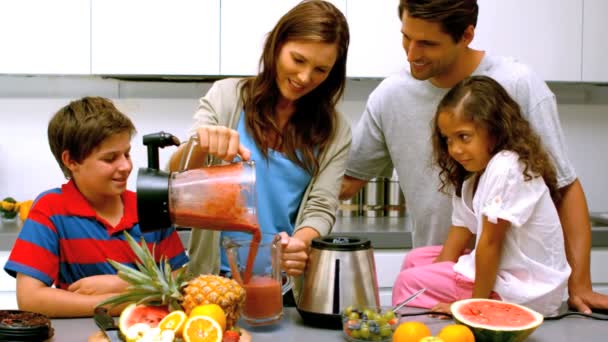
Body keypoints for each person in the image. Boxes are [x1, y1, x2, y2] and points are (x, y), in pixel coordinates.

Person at [340, 0, 608, 314]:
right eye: (406, 37)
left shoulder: (518, 84)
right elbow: (346, 182)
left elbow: (564, 187)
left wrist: (581, 284)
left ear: (466, 34)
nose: (411, 54)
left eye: (427, 43)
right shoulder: (390, 96)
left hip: (508, 281)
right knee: (416, 270)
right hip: (450, 274)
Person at [168, 0, 351, 299]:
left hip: (282, 287)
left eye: (321, 69)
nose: (305, 77)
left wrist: (300, 243)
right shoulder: (227, 97)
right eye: (298, 59)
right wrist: (201, 143)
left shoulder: (335, 130)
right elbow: (175, 177)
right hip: (212, 284)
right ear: (276, 45)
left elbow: (321, 206)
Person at [392, 76, 571, 316]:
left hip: (527, 290)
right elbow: (454, 245)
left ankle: (431, 329)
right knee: (417, 260)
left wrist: (474, 308)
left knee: (408, 282)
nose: (454, 149)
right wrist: (431, 279)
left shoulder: (506, 166)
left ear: (495, 130)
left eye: (464, 137)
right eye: (448, 139)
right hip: (507, 270)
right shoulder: (474, 177)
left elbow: (490, 243)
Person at [3, 97, 189, 317]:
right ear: (71, 161)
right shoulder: (51, 209)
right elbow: (30, 300)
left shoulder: (149, 207)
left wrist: (121, 285)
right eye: (110, 159)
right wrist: (122, 303)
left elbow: (183, 286)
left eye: (127, 153)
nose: (126, 166)